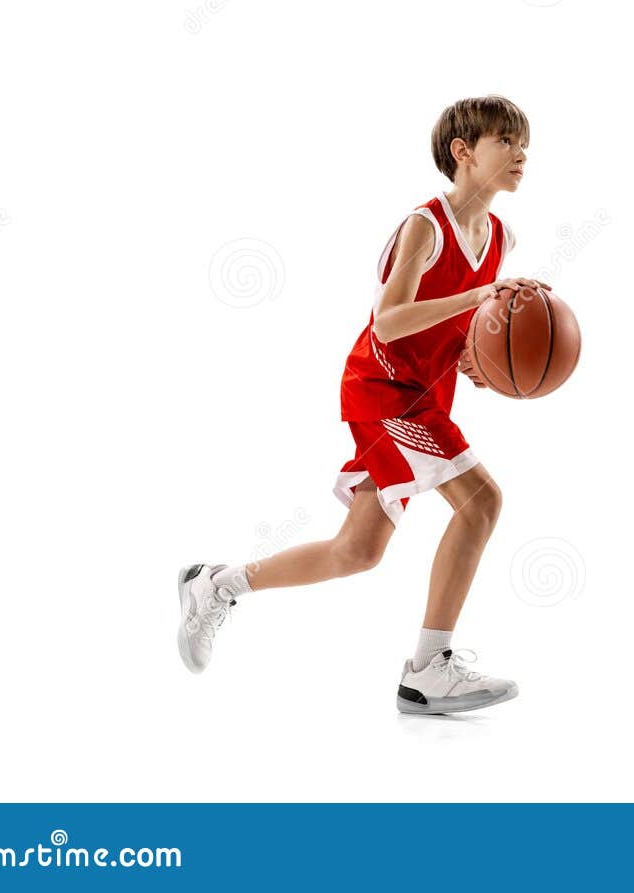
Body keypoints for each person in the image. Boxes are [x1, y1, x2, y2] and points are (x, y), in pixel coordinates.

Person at [175, 95, 546, 715]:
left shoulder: (501, 237)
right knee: (482, 502)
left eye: (524, 142)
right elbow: (392, 320)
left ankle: (217, 584)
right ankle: (429, 669)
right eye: (506, 140)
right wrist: (482, 295)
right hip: (383, 391)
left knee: (357, 551)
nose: (521, 153)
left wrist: (476, 361)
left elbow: (450, 329)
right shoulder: (426, 226)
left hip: (423, 396)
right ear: (463, 152)